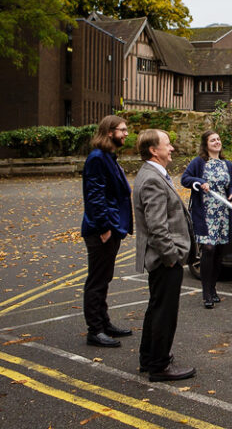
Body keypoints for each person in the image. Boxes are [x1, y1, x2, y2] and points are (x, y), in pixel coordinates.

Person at [133, 129, 196, 382]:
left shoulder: (154, 174)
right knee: (164, 312)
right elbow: (157, 227)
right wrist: (172, 257)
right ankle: (159, 366)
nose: (171, 149)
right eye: (167, 144)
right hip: (163, 259)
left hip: (163, 257)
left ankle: (148, 359)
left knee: (156, 308)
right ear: (153, 150)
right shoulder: (151, 178)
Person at [81, 115, 133, 347]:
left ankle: (104, 323)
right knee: (97, 281)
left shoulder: (109, 157)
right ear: (109, 132)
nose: (126, 134)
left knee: (104, 278)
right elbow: (94, 195)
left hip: (112, 226)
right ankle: (95, 330)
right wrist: (103, 227)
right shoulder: (97, 158)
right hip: (102, 229)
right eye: (122, 130)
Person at [181, 131, 232, 309]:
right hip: (205, 214)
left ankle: (213, 289)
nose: (217, 142)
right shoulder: (199, 162)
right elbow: (185, 179)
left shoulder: (226, 164)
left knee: (219, 252)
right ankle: (206, 292)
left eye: (218, 139)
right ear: (206, 144)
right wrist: (199, 182)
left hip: (222, 214)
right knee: (208, 249)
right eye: (212, 140)